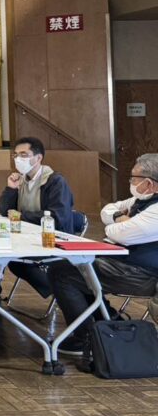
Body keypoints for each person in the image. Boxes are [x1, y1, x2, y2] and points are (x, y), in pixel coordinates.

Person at [50, 152, 158, 355]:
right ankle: (108, 325)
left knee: (62, 272)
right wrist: (118, 217)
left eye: (134, 179)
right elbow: (108, 210)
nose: (131, 183)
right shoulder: (141, 199)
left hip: (143, 274)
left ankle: (86, 340)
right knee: (76, 266)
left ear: (149, 184)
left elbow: (119, 234)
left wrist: (114, 225)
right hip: (124, 263)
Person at [0, 136, 79, 298]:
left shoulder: (54, 181)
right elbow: (5, 210)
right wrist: (11, 189)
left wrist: (21, 216)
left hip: (52, 241)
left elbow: (57, 217)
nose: (18, 159)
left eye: (24, 154)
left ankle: (66, 291)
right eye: (16, 155)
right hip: (28, 238)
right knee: (7, 257)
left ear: (38, 158)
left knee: (15, 261)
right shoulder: (21, 180)